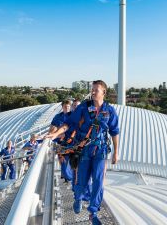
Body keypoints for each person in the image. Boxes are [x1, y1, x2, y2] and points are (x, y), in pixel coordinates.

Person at [47, 80, 119, 225]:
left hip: (101, 151)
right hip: (85, 150)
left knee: (98, 181)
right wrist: (55, 134)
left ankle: (93, 213)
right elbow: (69, 124)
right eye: (92, 89)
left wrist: (116, 152)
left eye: (96, 90)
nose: (93, 92)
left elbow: (114, 131)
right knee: (82, 180)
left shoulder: (109, 111)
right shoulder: (83, 108)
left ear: (103, 92)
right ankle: (78, 198)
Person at [49, 99, 74, 183]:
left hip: (72, 142)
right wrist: (51, 134)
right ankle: (66, 176)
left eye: (68, 106)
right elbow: (52, 128)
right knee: (62, 161)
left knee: (72, 161)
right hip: (61, 143)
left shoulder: (74, 115)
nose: (67, 108)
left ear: (70, 107)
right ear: (62, 107)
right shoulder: (58, 117)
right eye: (65, 107)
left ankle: (71, 177)